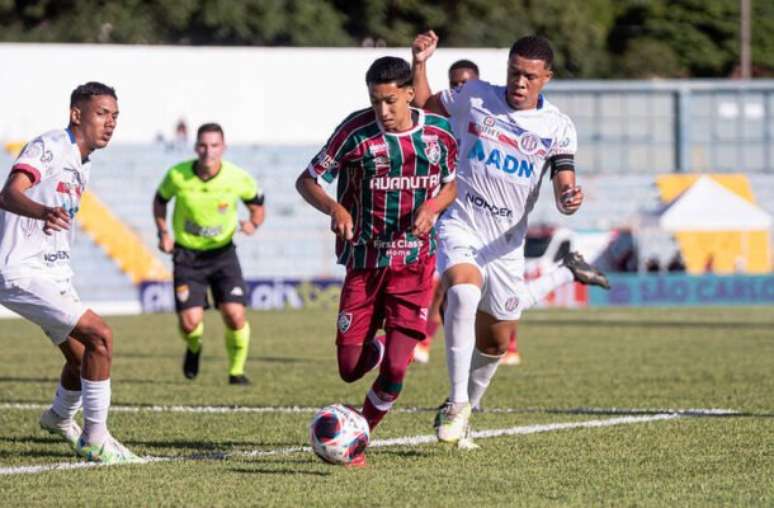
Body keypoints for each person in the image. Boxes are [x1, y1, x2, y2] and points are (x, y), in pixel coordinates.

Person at [412, 31, 610, 443]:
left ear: (547, 78)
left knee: (497, 340)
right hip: (461, 221)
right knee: (463, 293)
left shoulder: (557, 126)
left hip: (506, 243)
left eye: (530, 77)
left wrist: (569, 197)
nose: (519, 83)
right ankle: (456, 403)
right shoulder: (474, 94)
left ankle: (469, 408)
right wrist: (420, 64)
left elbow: (562, 180)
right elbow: (425, 107)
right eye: (514, 73)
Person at [296, 56, 458, 466]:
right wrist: (335, 208)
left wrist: (434, 207)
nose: (382, 111)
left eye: (390, 101)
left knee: (397, 372)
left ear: (408, 94)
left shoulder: (439, 135)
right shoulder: (355, 131)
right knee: (350, 369)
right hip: (365, 265)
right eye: (374, 101)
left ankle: (357, 440)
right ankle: (380, 347)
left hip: (414, 266)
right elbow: (307, 180)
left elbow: (452, 184)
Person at [0, 82, 141, 464]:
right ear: (76, 114)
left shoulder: (83, 162)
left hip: (53, 272)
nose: (110, 123)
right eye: (101, 114)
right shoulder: (50, 147)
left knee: (82, 361)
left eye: (115, 116)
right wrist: (43, 212)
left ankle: (59, 418)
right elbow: (9, 193)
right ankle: (96, 438)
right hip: (22, 271)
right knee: (101, 337)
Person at [413, 58, 524, 368]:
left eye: (465, 82)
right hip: (455, 211)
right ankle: (423, 341)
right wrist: (419, 63)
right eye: (454, 83)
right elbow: (424, 105)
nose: (460, 87)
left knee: (500, 295)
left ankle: (509, 344)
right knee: (445, 284)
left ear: (475, 83)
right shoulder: (445, 121)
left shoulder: (489, 115)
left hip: (495, 218)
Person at [153, 123, 265, 385]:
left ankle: (236, 372)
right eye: (203, 145)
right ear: (195, 147)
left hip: (223, 255)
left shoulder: (237, 177)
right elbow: (159, 201)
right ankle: (194, 348)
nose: (208, 151)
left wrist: (253, 224)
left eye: (214, 145)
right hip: (187, 257)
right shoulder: (177, 175)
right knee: (190, 324)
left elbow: (258, 206)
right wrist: (163, 233)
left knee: (235, 315)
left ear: (223, 148)